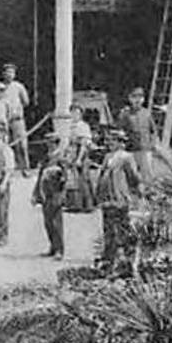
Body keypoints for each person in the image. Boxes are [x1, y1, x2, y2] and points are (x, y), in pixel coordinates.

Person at [97, 129, 142, 272]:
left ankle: (128, 263)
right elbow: (102, 175)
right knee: (108, 231)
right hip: (107, 199)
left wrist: (136, 191)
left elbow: (134, 177)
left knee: (123, 230)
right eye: (108, 140)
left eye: (112, 140)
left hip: (120, 198)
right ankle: (109, 262)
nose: (109, 143)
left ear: (120, 142)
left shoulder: (126, 157)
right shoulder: (107, 157)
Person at [32, 134, 68, 259]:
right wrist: (36, 193)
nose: (49, 145)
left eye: (51, 143)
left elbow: (66, 177)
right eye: (47, 143)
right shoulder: (46, 158)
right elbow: (40, 177)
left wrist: (63, 194)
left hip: (56, 191)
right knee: (48, 222)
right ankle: (52, 247)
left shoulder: (61, 158)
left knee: (56, 222)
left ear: (56, 143)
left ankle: (59, 250)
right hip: (45, 192)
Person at [0, 61, 32, 173]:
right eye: (7, 72)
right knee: (6, 145)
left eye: (12, 72)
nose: (9, 75)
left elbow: (26, 101)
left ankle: (25, 167)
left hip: (17, 120)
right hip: (5, 121)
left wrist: (17, 109)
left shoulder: (18, 87)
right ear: (3, 74)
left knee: (22, 145)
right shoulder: (0, 87)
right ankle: (10, 168)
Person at [116, 88, 157, 181]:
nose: (137, 100)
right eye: (134, 97)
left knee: (147, 174)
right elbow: (119, 129)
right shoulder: (125, 114)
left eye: (140, 97)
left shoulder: (147, 113)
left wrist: (152, 144)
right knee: (132, 175)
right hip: (131, 149)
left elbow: (153, 130)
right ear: (130, 99)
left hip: (145, 149)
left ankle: (148, 193)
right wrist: (122, 136)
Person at [63, 102, 96, 212]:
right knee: (73, 180)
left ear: (81, 114)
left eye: (76, 112)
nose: (74, 115)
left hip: (81, 153)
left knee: (83, 180)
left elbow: (84, 144)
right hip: (72, 153)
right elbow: (68, 143)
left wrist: (79, 159)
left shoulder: (83, 126)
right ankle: (75, 204)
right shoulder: (71, 126)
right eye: (72, 112)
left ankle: (88, 205)